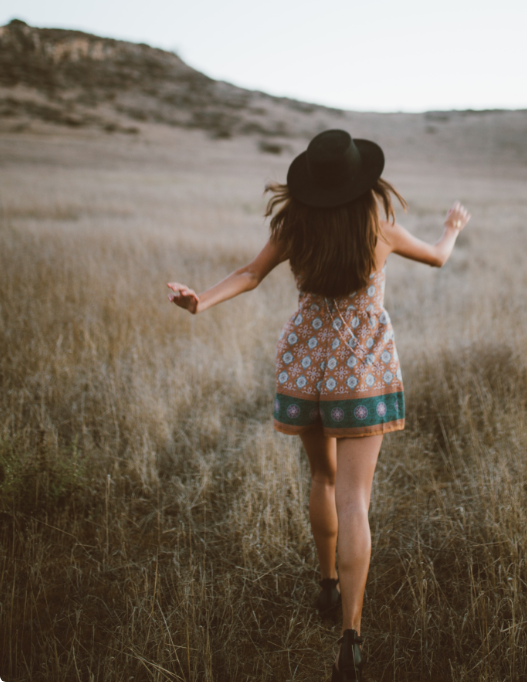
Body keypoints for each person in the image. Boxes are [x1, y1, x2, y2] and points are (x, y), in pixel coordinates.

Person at [167, 129, 469, 682]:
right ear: (361, 181)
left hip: (305, 367)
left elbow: (250, 274)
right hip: (361, 370)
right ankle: (350, 636)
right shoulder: (380, 227)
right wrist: (450, 229)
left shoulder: (295, 226)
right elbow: (438, 259)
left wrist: (199, 301)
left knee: (322, 480)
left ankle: (326, 585)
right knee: (356, 501)